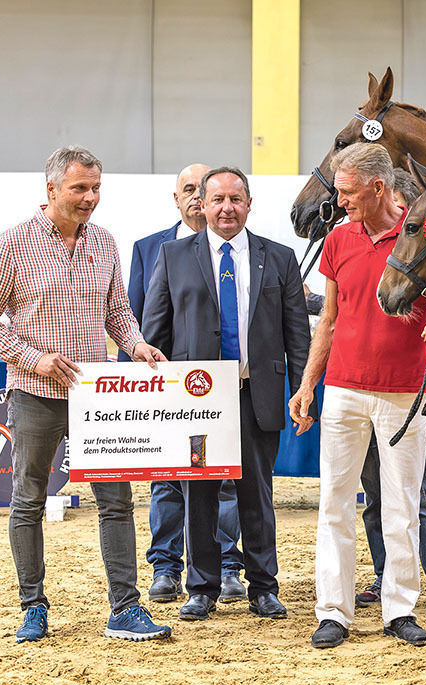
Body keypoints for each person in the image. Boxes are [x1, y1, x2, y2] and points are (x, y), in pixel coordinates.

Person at [0, 145, 171, 643]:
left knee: (115, 502)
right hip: (34, 393)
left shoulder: (103, 242)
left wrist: (138, 344)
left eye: (96, 188)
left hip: (97, 397)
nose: (90, 198)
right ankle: (33, 606)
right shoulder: (11, 243)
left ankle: (125, 608)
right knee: (27, 500)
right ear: (52, 188)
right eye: (80, 188)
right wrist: (34, 358)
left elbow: (117, 312)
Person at [142, 167, 310, 623]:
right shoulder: (173, 255)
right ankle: (201, 588)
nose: (226, 208)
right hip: (196, 403)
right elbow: (155, 333)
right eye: (216, 199)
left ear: (249, 204)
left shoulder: (278, 258)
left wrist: (304, 390)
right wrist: (158, 398)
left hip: (259, 394)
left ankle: (263, 588)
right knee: (199, 493)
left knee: (257, 493)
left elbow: (297, 334)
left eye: (235, 199)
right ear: (201, 204)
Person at [290, 143, 426, 650]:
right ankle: (333, 611)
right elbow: (328, 319)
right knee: (334, 501)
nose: (341, 200)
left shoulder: (421, 239)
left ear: (378, 188)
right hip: (344, 390)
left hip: (404, 395)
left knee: (401, 506)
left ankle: (401, 609)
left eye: (348, 192)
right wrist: (309, 384)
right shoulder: (338, 240)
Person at [123, 163, 246, 604]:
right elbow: (137, 323)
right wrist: (141, 389)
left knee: (225, 480)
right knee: (169, 479)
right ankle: (165, 566)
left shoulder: (239, 250)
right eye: (188, 189)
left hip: (223, 388)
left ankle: (229, 566)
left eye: (203, 190)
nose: (197, 197)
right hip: (170, 389)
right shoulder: (148, 248)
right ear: (176, 199)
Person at [355, 168, 426, 614]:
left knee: (417, 487)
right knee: (375, 492)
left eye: (407, 208)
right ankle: (387, 573)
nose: (402, 216)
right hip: (363, 385)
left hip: (415, 388)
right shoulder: (353, 242)